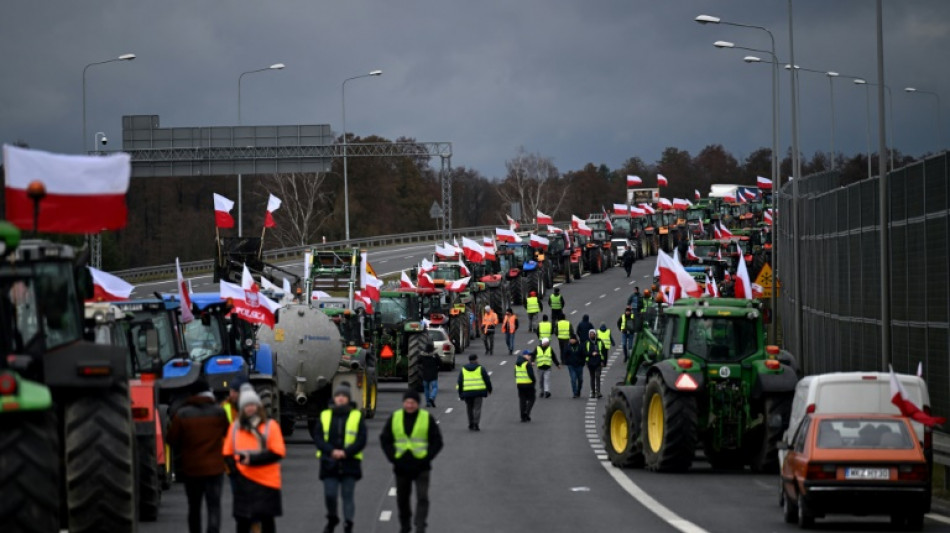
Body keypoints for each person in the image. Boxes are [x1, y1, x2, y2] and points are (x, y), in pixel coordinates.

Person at [167, 378, 230, 533]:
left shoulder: (182, 414)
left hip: (192, 469)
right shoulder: (219, 412)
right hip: (215, 469)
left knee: (194, 507)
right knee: (213, 506)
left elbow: (171, 439)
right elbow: (227, 434)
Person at [222, 384, 286, 533]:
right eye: (246, 405)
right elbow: (227, 452)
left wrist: (251, 460)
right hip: (244, 481)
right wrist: (234, 473)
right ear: (242, 409)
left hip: (267, 482)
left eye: (252, 405)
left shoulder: (270, 427)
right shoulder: (235, 428)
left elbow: (278, 452)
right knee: (243, 521)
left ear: (258, 406)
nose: (250, 408)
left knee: (267, 521)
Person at [380, 390, 444, 533]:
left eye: (413, 403)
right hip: (401, 467)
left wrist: (427, 457)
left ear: (418, 404)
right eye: (407, 402)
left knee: (422, 497)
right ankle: (405, 525)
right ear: (403, 403)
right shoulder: (395, 418)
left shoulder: (426, 418)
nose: (410, 405)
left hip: (422, 467)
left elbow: (437, 441)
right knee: (402, 500)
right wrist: (393, 458)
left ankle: (420, 525)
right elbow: (385, 440)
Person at [313, 385, 367, 533]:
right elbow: (318, 438)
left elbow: (361, 439)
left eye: (344, 395)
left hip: (350, 463)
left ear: (348, 398)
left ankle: (348, 524)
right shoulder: (325, 415)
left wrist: (346, 452)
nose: (341, 398)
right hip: (329, 462)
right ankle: (332, 517)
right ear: (334, 398)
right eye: (338, 396)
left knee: (347, 495)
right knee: (330, 494)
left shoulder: (356, 416)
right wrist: (331, 451)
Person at [457, 354, 492, 430]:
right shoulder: (481, 368)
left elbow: (460, 382)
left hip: (467, 392)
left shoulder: (463, 369)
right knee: (477, 408)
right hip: (478, 392)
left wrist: (460, 393)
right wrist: (489, 389)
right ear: (476, 360)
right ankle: (476, 423)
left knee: (469, 408)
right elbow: (487, 380)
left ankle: (471, 423)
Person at [514, 350, 536, 421]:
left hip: (520, 384)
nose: (530, 357)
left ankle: (522, 417)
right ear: (524, 355)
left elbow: (515, 374)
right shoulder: (527, 364)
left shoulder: (516, 364)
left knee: (522, 400)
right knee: (532, 399)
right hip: (528, 384)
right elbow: (531, 375)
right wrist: (534, 381)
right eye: (528, 355)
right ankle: (527, 412)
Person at [561, 334, 585, 399]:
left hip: (579, 365)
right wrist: (567, 362)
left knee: (580, 380)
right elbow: (564, 355)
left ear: (575, 340)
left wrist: (582, 363)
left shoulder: (580, 346)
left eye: (572, 339)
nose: (571, 340)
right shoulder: (568, 347)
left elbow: (583, 355)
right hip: (571, 365)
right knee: (573, 379)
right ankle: (575, 393)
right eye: (570, 339)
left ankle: (578, 391)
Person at [584, 330, 607, 398]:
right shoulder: (587, 343)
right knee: (592, 377)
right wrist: (591, 354)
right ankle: (593, 392)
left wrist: (603, 362)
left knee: (597, 376)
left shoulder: (600, 342)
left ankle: (598, 392)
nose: (592, 335)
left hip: (598, 362)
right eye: (590, 334)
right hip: (590, 363)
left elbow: (604, 352)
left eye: (593, 334)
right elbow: (584, 352)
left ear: (595, 334)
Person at [420, 341, 440, 408]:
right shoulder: (435, 356)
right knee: (435, 387)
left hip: (425, 374)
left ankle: (428, 402)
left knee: (426, 389)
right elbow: (440, 363)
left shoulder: (422, 356)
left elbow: (418, 362)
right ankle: (432, 397)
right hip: (433, 374)